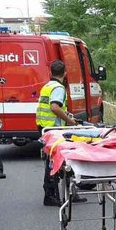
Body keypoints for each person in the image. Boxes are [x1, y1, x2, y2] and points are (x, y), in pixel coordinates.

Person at [36, 60, 78, 207]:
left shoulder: (47, 86)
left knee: (53, 161)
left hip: (45, 127)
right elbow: (54, 107)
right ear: (65, 73)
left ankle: (65, 192)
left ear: (51, 72)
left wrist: (66, 114)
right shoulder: (59, 88)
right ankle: (50, 194)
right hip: (54, 130)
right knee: (55, 162)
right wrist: (69, 120)